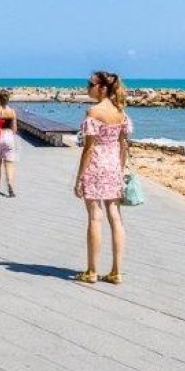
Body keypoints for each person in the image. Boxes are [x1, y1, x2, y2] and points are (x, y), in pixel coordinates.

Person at [73, 69, 132, 284]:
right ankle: (117, 271)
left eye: (90, 84)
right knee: (115, 217)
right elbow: (123, 144)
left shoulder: (94, 112)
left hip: (96, 165)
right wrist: (121, 168)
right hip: (114, 165)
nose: (87, 87)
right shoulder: (121, 111)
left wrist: (80, 178)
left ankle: (92, 270)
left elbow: (88, 149)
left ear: (102, 88)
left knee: (94, 217)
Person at [0, 89, 20, 197]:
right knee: (9, 163)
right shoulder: (12, 111)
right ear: (8, 99)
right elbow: (14, 129)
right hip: (9, 137)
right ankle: (10, 185)